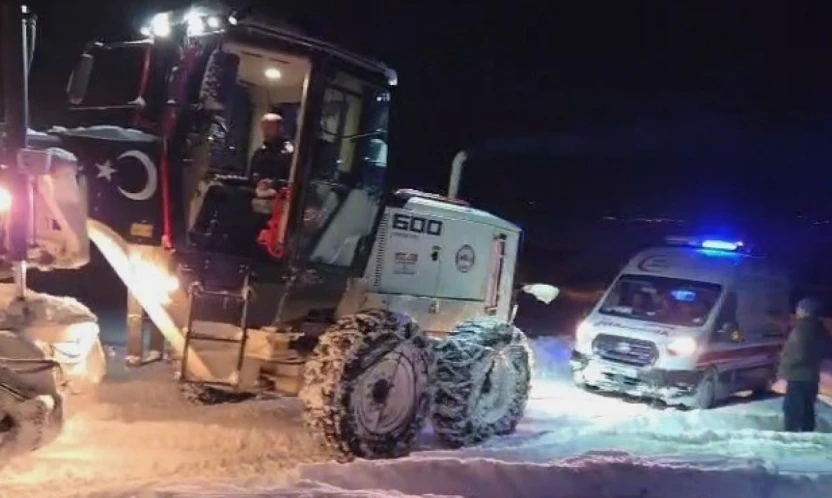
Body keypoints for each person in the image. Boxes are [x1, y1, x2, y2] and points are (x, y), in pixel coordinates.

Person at [778, 297, 832, 432]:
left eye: (799, 308)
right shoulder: (819, 328)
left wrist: (785, 366)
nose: (796, 311)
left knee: (792, 411)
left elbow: (798, 353)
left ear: (805, 311)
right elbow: (826, 349)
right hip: (811, 376)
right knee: (807, 410)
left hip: (798, 376)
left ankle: (792, 440)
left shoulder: (802, 329)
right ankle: (807, 437)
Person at [249, 113, 294, 189]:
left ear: (280, 128)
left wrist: (274, 184)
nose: (266, 132)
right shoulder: (259, 152)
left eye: (269, 128)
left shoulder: (289, 152)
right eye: (264, 128)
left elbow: (293, 181)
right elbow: (251, 176)